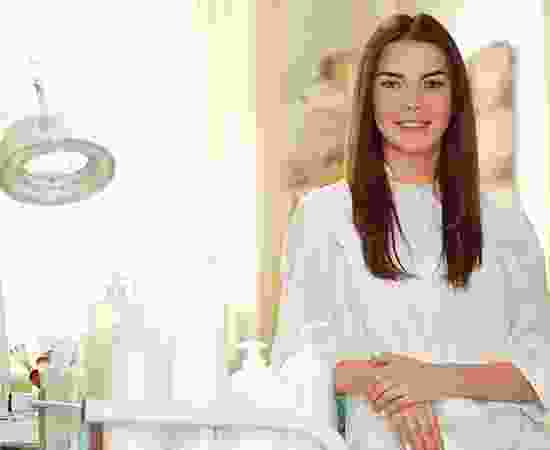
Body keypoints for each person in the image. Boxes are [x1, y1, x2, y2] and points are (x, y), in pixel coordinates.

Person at [271, 13, 550, 450]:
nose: (413, 103)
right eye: (392, 84)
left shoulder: (505, 222)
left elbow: (539, 369)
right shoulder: (323, 216)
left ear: (456, 98)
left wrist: (432, 380)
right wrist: (387, 385)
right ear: (369, 98)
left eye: (432, 84)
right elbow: (297, 362)